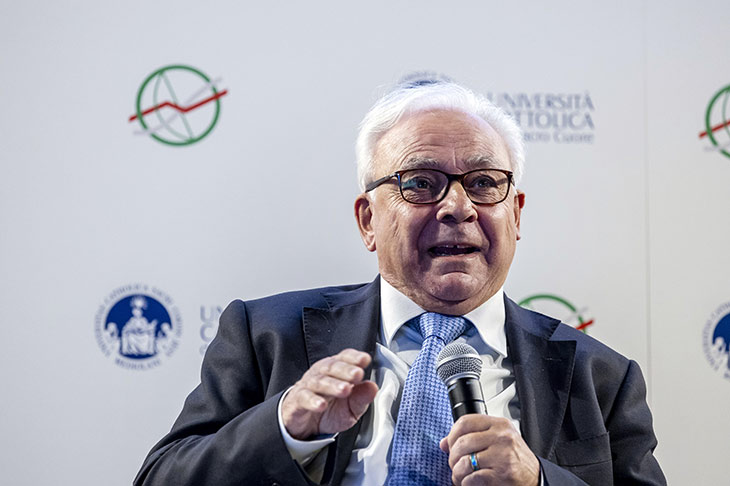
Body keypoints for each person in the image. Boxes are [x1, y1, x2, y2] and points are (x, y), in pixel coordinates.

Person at [134, 78, 665, 485]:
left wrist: (540, 481)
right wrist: (284, 429)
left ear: (517, 214)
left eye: (483, 183)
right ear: (368, 220)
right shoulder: (266, 336)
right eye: (421, 183)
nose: (457, 207)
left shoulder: (601, 376)